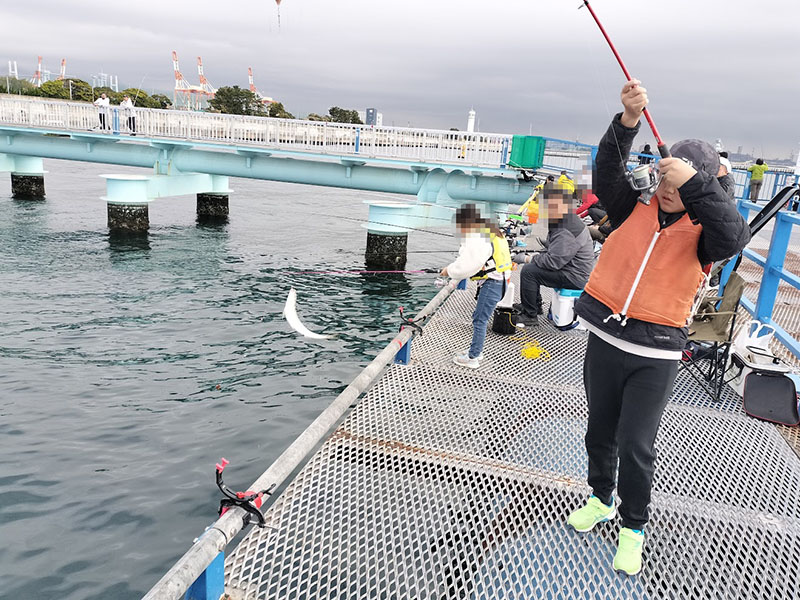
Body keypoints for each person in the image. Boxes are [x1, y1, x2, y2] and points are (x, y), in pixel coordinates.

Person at [568, 79, 750, 576]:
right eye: (665, 182)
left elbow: (735, 235)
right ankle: (600, 499)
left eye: (680, 186)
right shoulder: (633, 206)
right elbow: (607, 171)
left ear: (698, 187)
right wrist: (627, 121)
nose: (668, 192)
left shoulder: (707, 235)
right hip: (606, 338)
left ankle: (634, 527)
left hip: (657, 354)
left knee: (636, 444)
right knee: (599, 431)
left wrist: (694, 183)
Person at [440, 204, 512, 368]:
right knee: (480, 318)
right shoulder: (489, 231)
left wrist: (448, 271)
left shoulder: (479, 237)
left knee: (480, 320)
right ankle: (475, 350)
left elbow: (467, 265)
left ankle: (473, 357)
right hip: (499, 282)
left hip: (493, 284)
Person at [512, 182, 594, 324]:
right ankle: (534, 305)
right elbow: (555, 250)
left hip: (574, 276)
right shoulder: (564, 218)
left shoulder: (565, 228)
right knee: (533, 267)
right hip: (570, 268)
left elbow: (553, 262)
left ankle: (530, 315)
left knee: (529, 271)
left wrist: (527, 258)